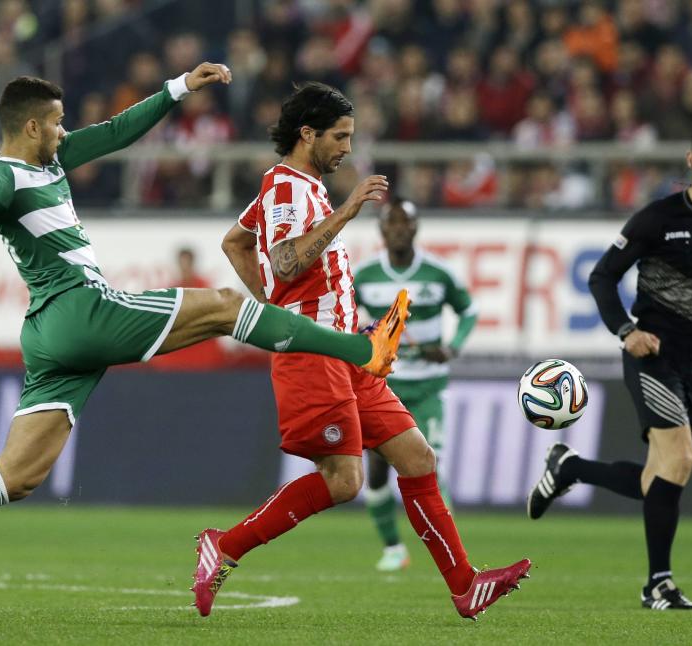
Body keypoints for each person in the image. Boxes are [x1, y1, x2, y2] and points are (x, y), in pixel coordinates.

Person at [0, 64, 409, 607]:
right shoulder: (0, 173)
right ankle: (363, 348)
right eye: (60, 122)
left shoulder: (54, 159)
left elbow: (117, 131)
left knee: (16, 476)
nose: (68, 131)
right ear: (33, 126)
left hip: (48, 333)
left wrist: (179, 87)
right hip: (81, 309)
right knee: (224, 307)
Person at [207, 82, 529, 620]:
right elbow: (285, 262)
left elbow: (235, 243)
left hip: (345, 351)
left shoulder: (293, 185)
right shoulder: (288, 190)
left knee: (417, 457)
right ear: (306, 134)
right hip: (313, 356)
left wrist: (273, 308)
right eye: (340, 136)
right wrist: (347, 213)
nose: (347, 149)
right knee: (344, 480)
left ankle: (464, 584)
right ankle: (225, 546)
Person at [527, 117, 692, 611]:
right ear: (691, 160)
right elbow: (601, 276)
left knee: (662, 475)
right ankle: (658, 583)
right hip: (652, 353)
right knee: (678, 460)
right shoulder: (657, 219)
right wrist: (626, 331)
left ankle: (571, 467)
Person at [353, 197, 477, 572]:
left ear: (416, 228)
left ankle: (449, 552)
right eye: (392, 224)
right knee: (375, 472)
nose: (398, 230)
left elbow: (468, 311)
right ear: (382, 230)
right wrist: (362, 340)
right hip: (382, 385)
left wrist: (452, 348)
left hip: (427, 385)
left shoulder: (439, 273)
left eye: (405, 223)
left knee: (429, 464)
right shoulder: (364, 274)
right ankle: (393, 548)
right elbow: (343, 317)